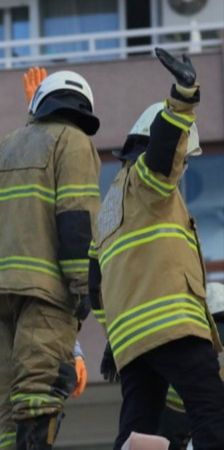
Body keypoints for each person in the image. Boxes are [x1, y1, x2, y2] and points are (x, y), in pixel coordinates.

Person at [89, 48, 224, 450]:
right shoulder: (149, 181)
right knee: (212, 410)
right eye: (186, 154)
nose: (184, 164)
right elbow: (164, 152)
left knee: (137, 429)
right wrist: (184, 96)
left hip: (132, 339)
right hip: (171, 324)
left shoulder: (111, 204)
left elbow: (95, 285)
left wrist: (115, 336)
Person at [0, 66, 101, 449]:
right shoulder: (74, 142)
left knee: (11, 408)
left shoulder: (6, 145)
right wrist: (81, 296)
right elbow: (76, 219)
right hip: (47, 291)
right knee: (39, 393)